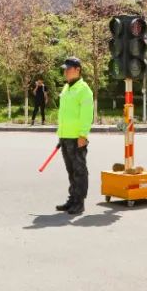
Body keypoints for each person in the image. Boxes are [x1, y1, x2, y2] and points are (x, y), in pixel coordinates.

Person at [54, 57, 93, 215]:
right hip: (65, 137)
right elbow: (64, 114)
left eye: (68, 69)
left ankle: (79, 202)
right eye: (65, 69)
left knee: (79, 171)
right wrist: (61, 135)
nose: (65, 72)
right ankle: (72, 199)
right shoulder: (66, 88)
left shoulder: (84, 90)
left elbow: (87, 115)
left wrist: (83, 135)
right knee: (71, 171)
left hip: (77, 138)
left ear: (78, 70)